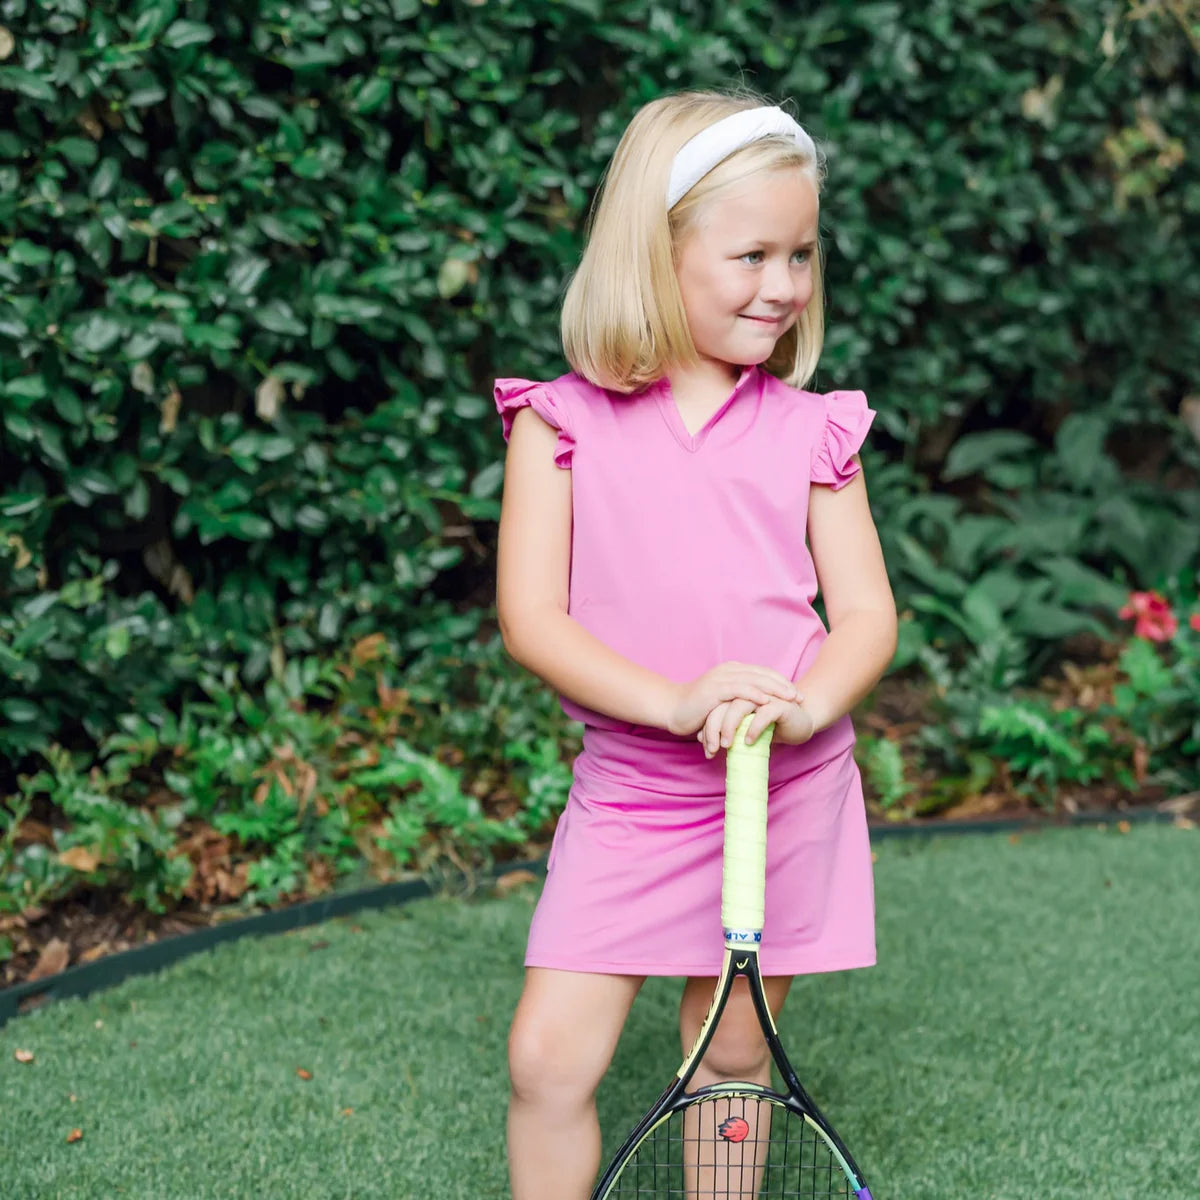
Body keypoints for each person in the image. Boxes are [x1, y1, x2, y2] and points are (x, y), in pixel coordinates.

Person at [494, 88, 898, 1200]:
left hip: (780, 792)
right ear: (653, 251)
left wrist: (805, 708)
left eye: (801, 254)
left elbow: (867, 616)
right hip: (633, 792)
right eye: (751, 254)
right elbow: (532, 620)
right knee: (546, 1061)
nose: (785, 284)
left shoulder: (815, 431)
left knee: (730, 1059)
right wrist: (675, 703)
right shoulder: (557, 423)